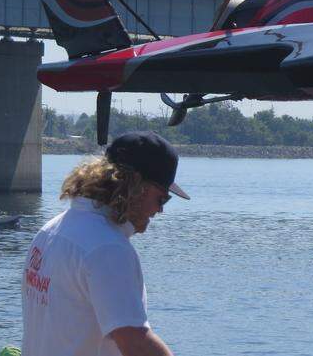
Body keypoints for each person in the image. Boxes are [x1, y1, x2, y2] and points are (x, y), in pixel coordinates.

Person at [22, 132, 189, 356]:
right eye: (162, 198)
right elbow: (135, 343)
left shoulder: (51, 230)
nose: (160, 210)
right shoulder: (108, 248)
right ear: (136, 185)